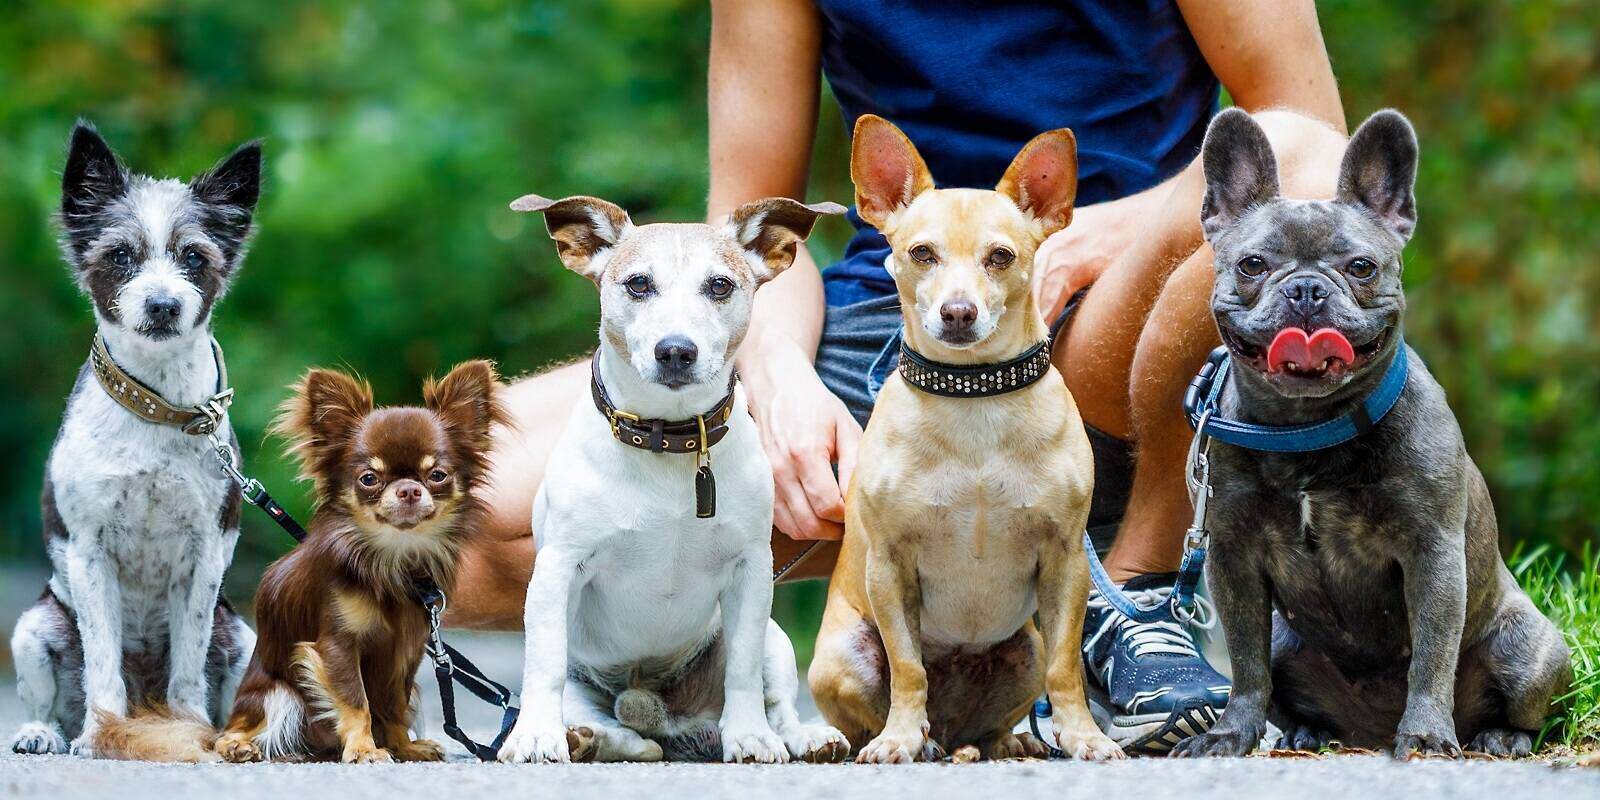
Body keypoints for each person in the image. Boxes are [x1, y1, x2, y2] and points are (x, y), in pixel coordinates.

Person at [451, 0, 1350, 754]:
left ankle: (1138, 589)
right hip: (888, 323)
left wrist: (1101, 236)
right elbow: (750, 208)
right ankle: (648, 706)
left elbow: (1317, 136)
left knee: (1294, 159)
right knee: (466, 507)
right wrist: (776, 372)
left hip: (1116, 301)